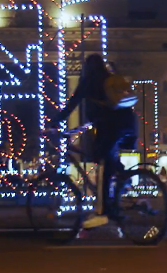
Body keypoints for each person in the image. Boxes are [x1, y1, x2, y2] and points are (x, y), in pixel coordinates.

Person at [53, 54, 136, 228]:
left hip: (112, 127)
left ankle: (103, 212)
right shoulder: (110, 79)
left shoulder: (89, 82)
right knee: (109, 159)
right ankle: (122, 182)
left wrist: (53, 123)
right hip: (129, 124)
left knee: (103, 164)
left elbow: (71, 105)